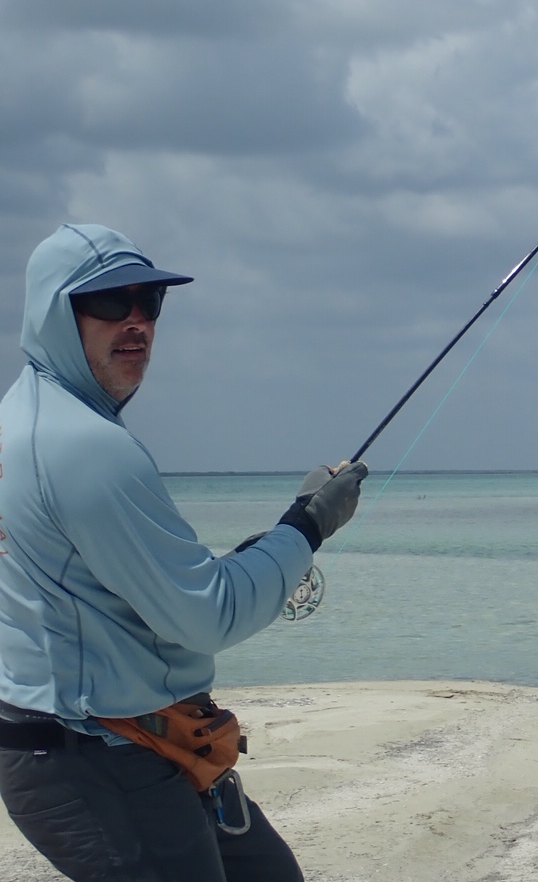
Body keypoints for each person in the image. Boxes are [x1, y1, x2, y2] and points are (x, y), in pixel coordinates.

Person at [0, 224, 367, 881]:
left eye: (151, 303)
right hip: (93, 758)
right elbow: (209, 616)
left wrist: (270, 547)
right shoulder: (83, 447)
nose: (137, 321)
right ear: (56, 311)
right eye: (112, 303)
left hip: (136, 740)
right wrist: (307, 527)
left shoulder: (22, 418)